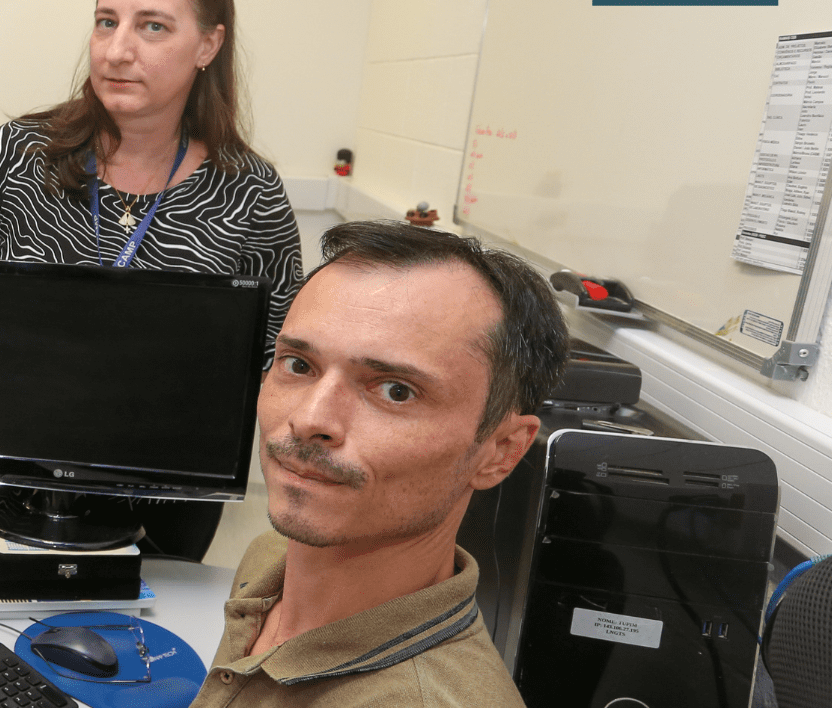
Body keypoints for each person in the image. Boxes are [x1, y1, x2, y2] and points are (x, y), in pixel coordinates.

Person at [0, 0, 303, 559]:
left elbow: (280, 363)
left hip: (167, 504)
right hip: (16, 484)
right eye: (107, 22)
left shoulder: (249, 193)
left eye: (153, 27)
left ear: (208, 44)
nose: (118, 50)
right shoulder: (20, 156)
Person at [189, 220, 563, 707]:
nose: (309, 419)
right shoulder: (271, 559)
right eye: (299, 365)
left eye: (395, 390)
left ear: (502, 451)